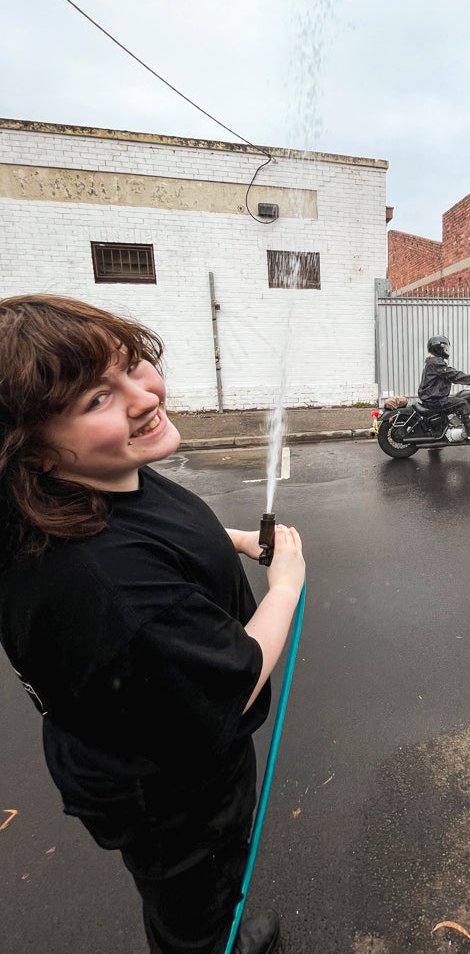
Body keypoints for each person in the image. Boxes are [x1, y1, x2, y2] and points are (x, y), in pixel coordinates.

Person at [0, 294, 305, 954]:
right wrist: (284, 587)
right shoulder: (110, 591)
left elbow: (149, 527)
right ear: (36, 453)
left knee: (203, 893)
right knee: (194, 899)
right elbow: (238, 680)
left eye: (133, 365)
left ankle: (219, 922)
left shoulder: (83, 484)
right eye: (96, 401)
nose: (142, 396)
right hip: (173, 788)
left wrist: (232, 541)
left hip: (153, 734)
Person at [418, 334, 470, 440]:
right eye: (444, 348)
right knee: (462, 403)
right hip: (434, 399)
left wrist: (468, 379)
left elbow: (450, 373)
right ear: (438, 348)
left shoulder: (433, 362)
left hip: (431, 397)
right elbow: (453, 374)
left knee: (457, 399)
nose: (446, 350)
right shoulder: (436, 363)